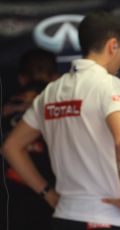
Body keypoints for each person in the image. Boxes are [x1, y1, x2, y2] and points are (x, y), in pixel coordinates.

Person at [2, 11, 120, 230]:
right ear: (113, 45)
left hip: (64, 216)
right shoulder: (108, 84)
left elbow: (11, 147)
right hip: (107, 216)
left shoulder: (51, 92)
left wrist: (48, 194)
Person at [1, 48, 58, 230]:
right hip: (54, 197)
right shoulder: (61, 105)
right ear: (56, 77)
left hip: (10, 201)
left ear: (22, 78)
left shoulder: (5, 107)